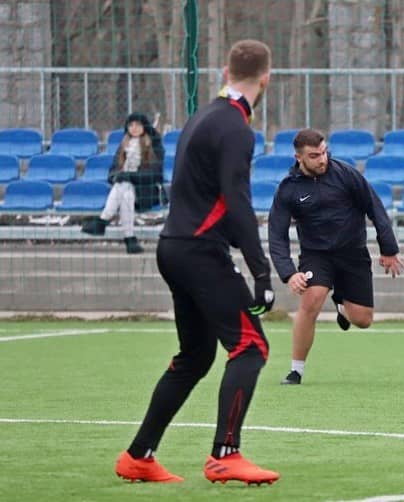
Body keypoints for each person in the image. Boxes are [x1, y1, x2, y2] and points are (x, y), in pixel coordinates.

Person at [114, 40, 279, 485]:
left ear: (226, 71)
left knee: (195, 357)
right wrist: (261, 271)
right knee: (251, 347)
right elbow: (236, 201)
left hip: (174, 246)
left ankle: (138, 456)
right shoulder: (236, 128)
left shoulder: (204, 116)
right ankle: (226, 454)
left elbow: (204, 195)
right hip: (199, 251)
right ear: (266, 79)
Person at [268, 128, 404, 385]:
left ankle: (341, 305)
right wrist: (289, 273)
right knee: (311, 300)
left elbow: (374, 207)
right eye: (314, 156)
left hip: (353, 254)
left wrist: (388, 249)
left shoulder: (346, 174)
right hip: (316, 255)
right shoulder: (288, 189)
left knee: (363, 320)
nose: (322, 160)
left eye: (324, 153)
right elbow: (276, 235)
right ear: (299, 157)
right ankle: (296, 370)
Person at [81, 113, 164, 254]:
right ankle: (130, 239)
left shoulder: (154, 145)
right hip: (126, 191)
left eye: (138, 125)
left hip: (146, 192)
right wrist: (116, 177)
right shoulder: (124, 145)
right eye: (131, 125)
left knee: (125, 185)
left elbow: (154, 175)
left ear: (144, 127)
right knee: (127, 193)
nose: (134, 128)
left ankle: (103, 220)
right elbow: (113, 170)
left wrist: (129, 176)